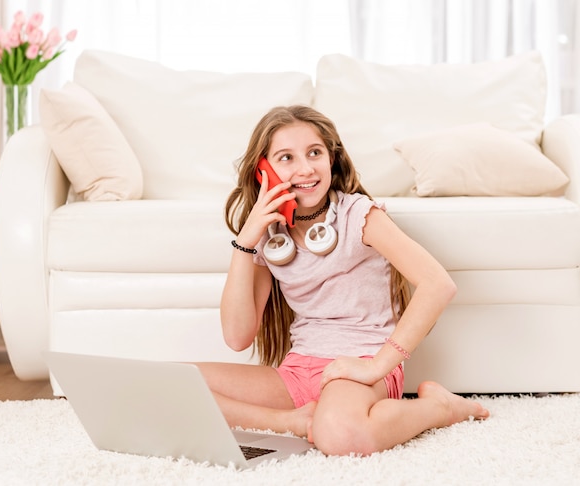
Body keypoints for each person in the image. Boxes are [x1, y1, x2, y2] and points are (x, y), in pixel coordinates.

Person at [197, 105, 489, 457]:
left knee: (341, 436)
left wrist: (378, 365)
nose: (305, 168)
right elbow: (237, 336)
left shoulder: (358, 215)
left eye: (314, 153)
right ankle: (294, 422)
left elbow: (437, 284)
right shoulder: (268, 238)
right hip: (298, 372)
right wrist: (246, 240)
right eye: (286, 158)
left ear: (331, 159)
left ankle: (440, 408)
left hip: (360, 368)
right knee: (171, 385)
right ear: (264, 170)